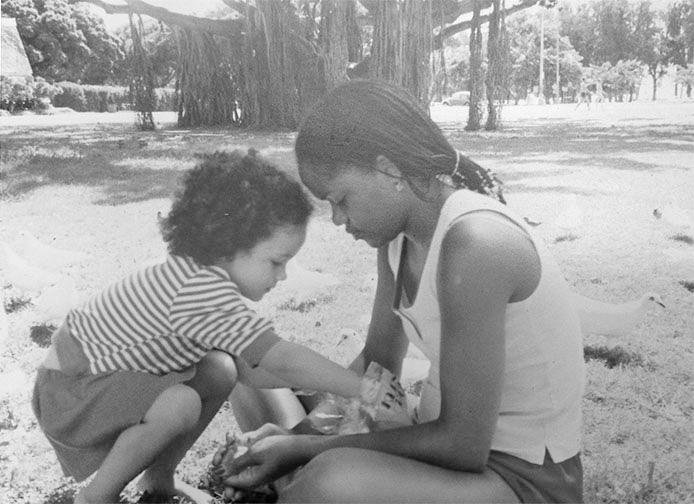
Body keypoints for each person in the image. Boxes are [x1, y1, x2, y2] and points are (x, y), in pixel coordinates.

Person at [225, 80, 586, 503]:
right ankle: (295, 484)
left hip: (517, 478)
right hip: (433, 446)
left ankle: (302, 486)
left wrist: (308, 449)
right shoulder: (399, 239)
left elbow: (463, 446)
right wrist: (296, 436)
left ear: (388, 169)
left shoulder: (476, 244)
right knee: (248, 377)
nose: (339, 219)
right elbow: (377, 369)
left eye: (341, 199)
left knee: (331, 479)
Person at [32, 150, 362, 504]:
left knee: (221, 369)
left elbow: (253, 373)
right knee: (181, 403)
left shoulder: (200, 276)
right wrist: (364, 388)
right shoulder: (201, 291)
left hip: (82, 383)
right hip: (72, 393)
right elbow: (279, 359)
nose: (282, 276)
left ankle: (158, 479)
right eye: (276, 262)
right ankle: (96, 497)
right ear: (228, 246)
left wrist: (321, 386)